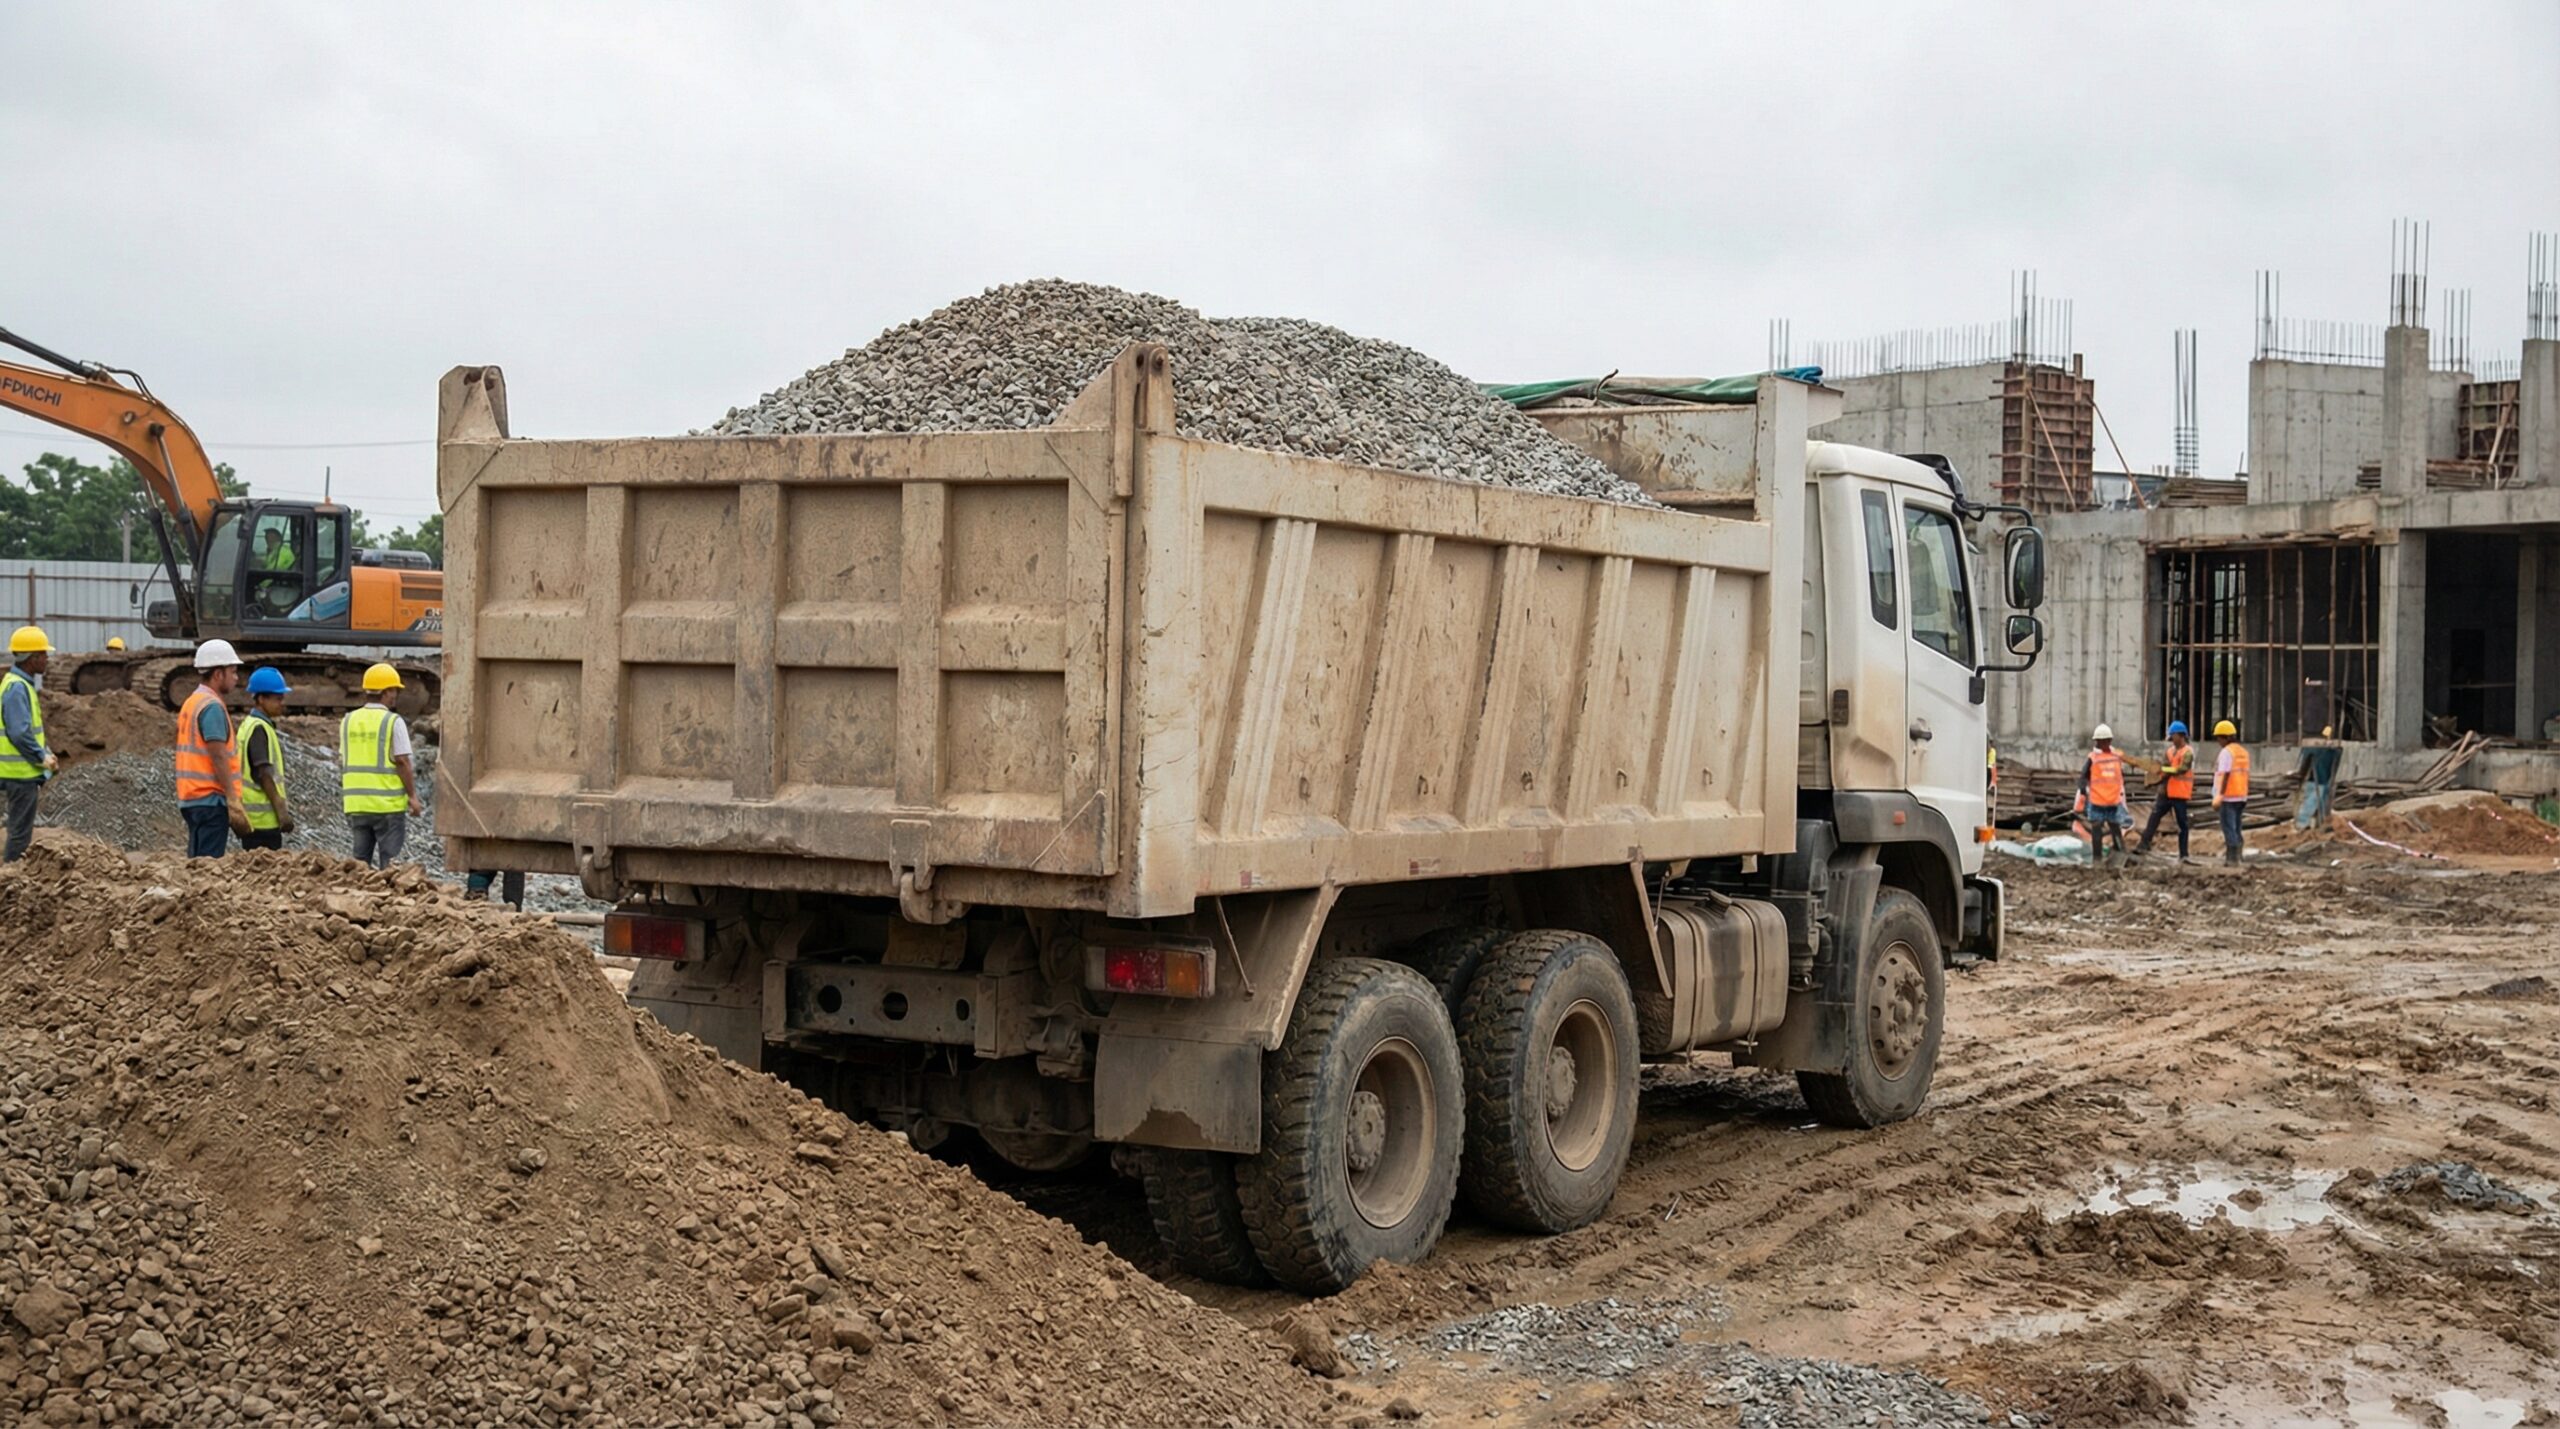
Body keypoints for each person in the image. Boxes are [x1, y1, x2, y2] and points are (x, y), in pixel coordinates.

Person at [176, 639, 250, 858]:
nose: (236, 678)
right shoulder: (212, 707)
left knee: (196, 862)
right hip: (211, 799)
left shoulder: (193, 701)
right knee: (209, 864)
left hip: (192, 796)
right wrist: (232, 799)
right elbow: (218, 755)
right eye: (233, 671)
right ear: (218, 674)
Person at [342, 663, 420, 868]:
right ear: (387, 692)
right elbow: (402, 761)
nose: (395, 695)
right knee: (390, 865)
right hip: (387, 805)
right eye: (394, 690)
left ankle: (358, 898)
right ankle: (388, 900)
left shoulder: (348, 720)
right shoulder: (392, 721)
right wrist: (412, 796)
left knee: (360, 864)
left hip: (357, 804)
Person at [2, 626, 59, 863]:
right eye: (43, 654)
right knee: (19, 835)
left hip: (16, 771)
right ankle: (11, 881)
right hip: (20, 774)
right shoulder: (17, 687)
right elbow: (19, 732)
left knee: (18, 831)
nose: (47, 659)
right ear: (32, 658)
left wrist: (45, 752)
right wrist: (40, 757)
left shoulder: (15, 682)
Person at [236, 668, 297, 851]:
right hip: (263, 822)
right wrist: (281, 809)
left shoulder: (249, 725)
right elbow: (263, 773)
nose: (282, 703)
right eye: (277, 699)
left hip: (254, 820)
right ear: (261, 699)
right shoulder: (259, 729)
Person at [2136, 720, 2196, 862]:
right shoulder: (2170, 751)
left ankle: (2184, 854)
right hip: (2166, 792)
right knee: (2154, 817)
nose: (2171, 740)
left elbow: (2182, 769)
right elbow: (2164, 767)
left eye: (2172, 736)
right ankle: (2144, 844)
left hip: (2180, 793)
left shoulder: (2188, 752)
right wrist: (2155, 778)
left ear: (2181, 735)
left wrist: (2163, 770)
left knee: (2182, 824)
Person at [2076, 723, 2132, 866]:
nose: (2103, 743)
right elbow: (2084, 778)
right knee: (2107, 830)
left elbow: (2083, 777)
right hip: (2105, 801)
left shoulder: (2096, 758)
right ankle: (2108, 857)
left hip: (2104, 802)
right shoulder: (2113, 757)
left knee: (2103, 830)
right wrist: (2083, 790)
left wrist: (2083, 790)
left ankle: (2103, 859)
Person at [2212, 719, 2251, 866]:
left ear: (2227, 737)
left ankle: (2232, 859)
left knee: (2228, 828)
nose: (2218, 741)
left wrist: (2219, 795)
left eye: (2219, 738)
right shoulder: (2243, 752)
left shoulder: (2226, 752)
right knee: (2236, 826)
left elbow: (2225, 774)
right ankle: (2238, 856)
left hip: (2228, 796)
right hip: (2241, 796)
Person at [2294, 726, 2342, 830]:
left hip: (2320, 780)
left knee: (2317, 799)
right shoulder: (2327, 749)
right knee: (2314, 799)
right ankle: (2304, 823)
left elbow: (2305, 762)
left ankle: (2315, 822)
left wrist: (2301, 773)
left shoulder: (2326, 749)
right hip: (2319, 780)